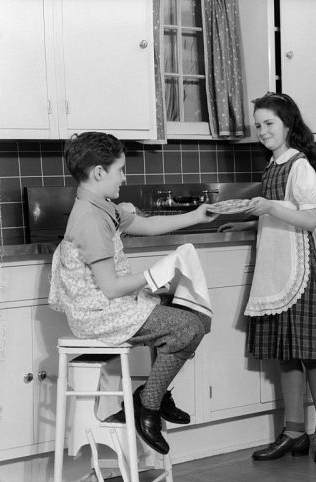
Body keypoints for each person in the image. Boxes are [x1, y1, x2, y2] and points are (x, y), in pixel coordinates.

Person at [49, 131, 218, 455]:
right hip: (97, 314)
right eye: (121, 170)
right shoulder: (90, 220)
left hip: (109, 304)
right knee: (187, 326)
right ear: (99, 172)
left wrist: (198, 215)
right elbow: (111, 288)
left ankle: (155, 394)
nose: (125, 178)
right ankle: (147, 405)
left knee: (195, 311)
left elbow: (146, 224)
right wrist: (155, 275)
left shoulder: (102, 206)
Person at [220, 92, 316, 463]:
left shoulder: (300, 166)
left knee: (311, 355)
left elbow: (307, 219)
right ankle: (293, 431)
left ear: (288, 124)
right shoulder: (273, 164)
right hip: (276, 268)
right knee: (287, 355)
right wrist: (242, 218)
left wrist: (268, 207)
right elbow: (274, 213)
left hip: (298, 270)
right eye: (258, 125)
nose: (262, 131)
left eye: (269, 123)